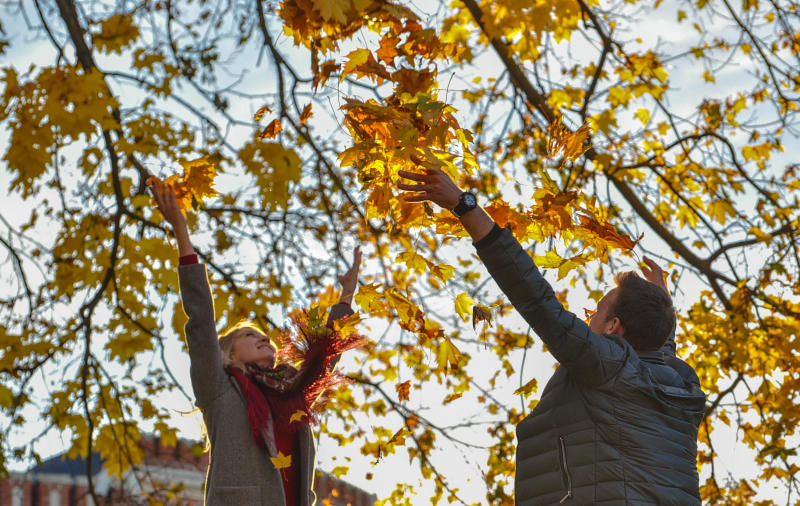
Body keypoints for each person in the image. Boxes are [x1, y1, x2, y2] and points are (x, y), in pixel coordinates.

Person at [398, 168, 706, 504]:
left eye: (596, 313)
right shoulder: (682, 385)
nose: (588, 318)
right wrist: (660, 302)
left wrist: (465, 206)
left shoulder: (608, 364)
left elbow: (538, 302)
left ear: (613, 327)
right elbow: (661, 348)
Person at [150, 181, 363, 506]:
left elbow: (324, 359)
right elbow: (201, 323)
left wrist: (347, 295)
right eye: (249, 335)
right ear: (228, 355)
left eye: (261, 334)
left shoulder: (294, 390)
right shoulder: (219, 388)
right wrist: (181, 232)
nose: (262, 337)